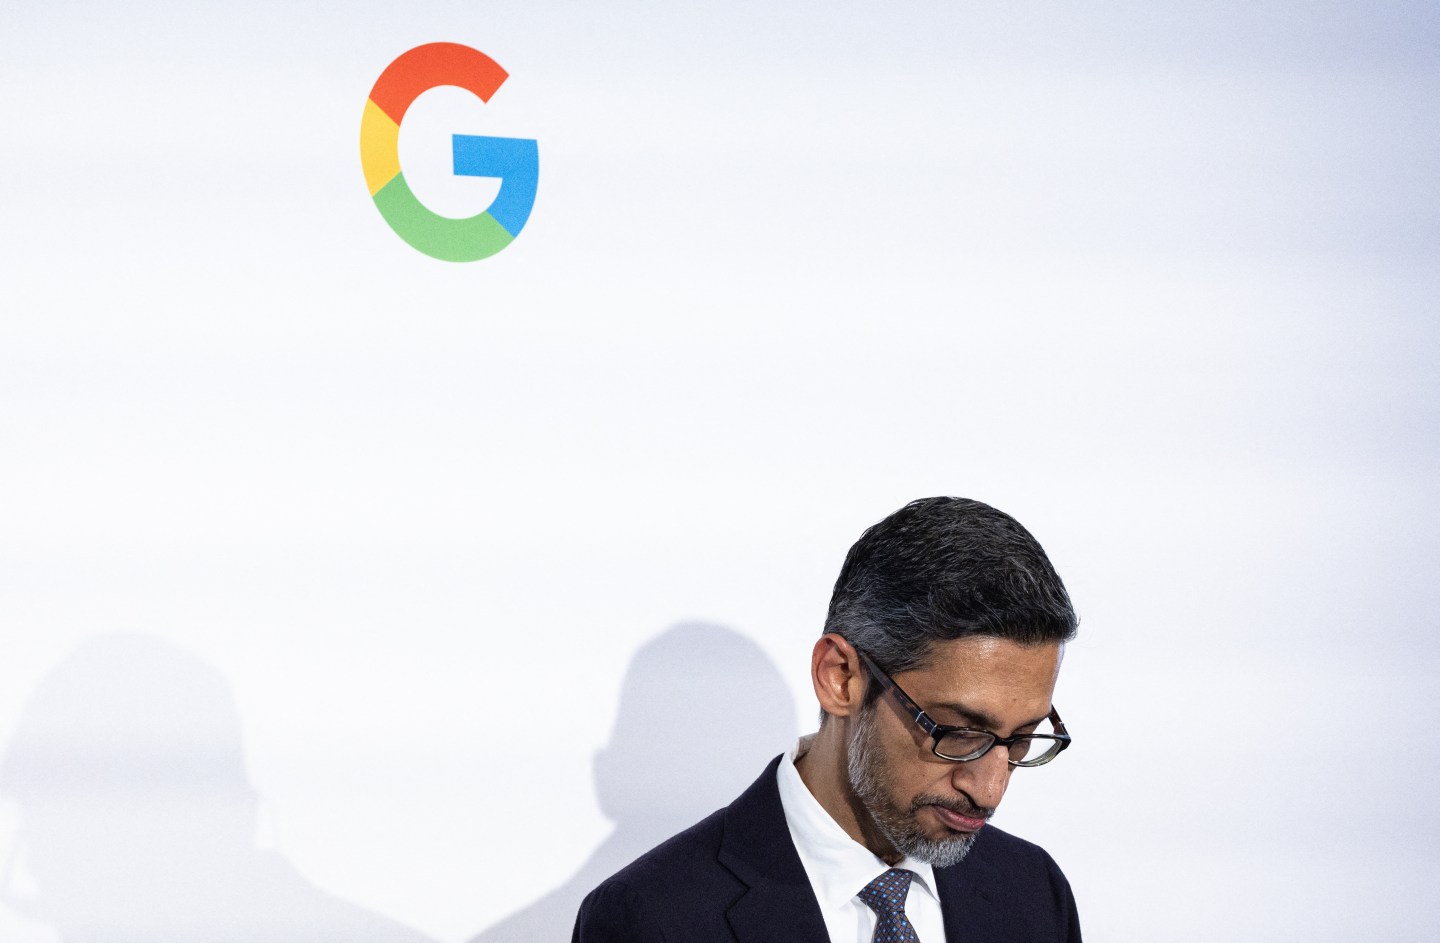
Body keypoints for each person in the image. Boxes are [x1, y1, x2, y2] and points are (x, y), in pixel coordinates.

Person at [572, 497, 1083, 942]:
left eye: (1019, 740)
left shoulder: (1035, 894)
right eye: (959, 731)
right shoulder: (651, 919)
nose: (991, 789)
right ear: (840, 678)